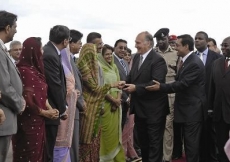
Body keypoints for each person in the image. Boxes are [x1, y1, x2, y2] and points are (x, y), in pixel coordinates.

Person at [146, 34, 206, 162]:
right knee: (189, 144)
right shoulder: (186, 61)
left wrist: (161, 87)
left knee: (191, 146)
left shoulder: (194, 63)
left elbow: (182, 84)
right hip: (186, 111)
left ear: (186, 46)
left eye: (178, 45)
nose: (175, 48)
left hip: (192, 112)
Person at [123, 31, 169, 162]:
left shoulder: (158, 60)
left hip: (154, 110)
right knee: (143, 143)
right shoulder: (137, 57)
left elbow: (155, 82)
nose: (135, 45)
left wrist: (136, 88)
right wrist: (124, 83)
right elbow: (132, 76)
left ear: (148, 43)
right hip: (140, 109)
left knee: (154, 144)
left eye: (138, 43)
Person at [12, 37, 59, 162]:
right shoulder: (23, 71)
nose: (42, 52)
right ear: (33, 51)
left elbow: (42, 94)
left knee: (39, 154)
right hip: (27, 121)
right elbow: (27, 99)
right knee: (28, 155)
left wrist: (50, 109)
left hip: (39, 121)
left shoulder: (36, 71)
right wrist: (45, 113)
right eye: (40, 49)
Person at [77, 43, 121, 162]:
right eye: (93, 54)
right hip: (88, 109)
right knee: (85, 141)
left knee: (94, 141)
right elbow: (95, 88)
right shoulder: (83, 67)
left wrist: (117, 98)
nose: (95, 57)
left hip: (96, 109)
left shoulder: (94, 68)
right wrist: (112, 85)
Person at [0, 10, 25, 162]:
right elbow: (4, 85)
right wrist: (19, 103)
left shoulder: (3, 49)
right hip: (3, 117)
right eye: (15, 26)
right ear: (8, 28)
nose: (16, 30)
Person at [43, 25, 70, 162]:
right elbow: (55, 85)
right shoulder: (49, 54)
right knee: (47, 150)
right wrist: (63, 108)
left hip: (52, 107)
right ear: (65, 41)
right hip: (50, 108)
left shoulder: (52, 52)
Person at [194, 31, 222, 162]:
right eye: (195, 39)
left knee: (211, 132)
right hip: (194, 102)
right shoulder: (191, 57)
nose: (197, 41)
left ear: (206, 41)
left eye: (200, 39)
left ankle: (211, 157)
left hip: (211, 100)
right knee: (197, 133)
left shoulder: (216, 57)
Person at [154, 28, 178, 162]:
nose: (161, 42)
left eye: (163, 39)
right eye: (159, 40)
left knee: (168, 126)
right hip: (155, 95)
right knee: (156, 125)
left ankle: (166, 158)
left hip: (170, 94)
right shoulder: (152, 54)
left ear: (168, 39)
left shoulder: (176, 54)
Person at [98, 44, 125, 161]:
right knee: (106, 134)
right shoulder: (99, 68)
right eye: (106, 54)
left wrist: (118, 100)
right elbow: (101, 87)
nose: (109, 56)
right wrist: (113, 101)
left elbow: (119, 84)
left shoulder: (114, 67)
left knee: (116, 133)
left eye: (110, 54)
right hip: (106, 104)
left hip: (117, 105)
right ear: (102, 56)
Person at [53, 47, 78, 162]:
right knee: (59, 139)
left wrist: (74, 92)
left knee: (67, 139)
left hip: (70, 110)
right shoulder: (60, 67)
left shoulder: (67, 67)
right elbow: (60, 88)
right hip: (62, 108)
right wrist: (72, 92)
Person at [209, 36, 230, 162]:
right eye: (222, 45)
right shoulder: (216, 63)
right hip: (219, 113)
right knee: (221, 144)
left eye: (226, 45)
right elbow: (212, 87)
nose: (223, 48)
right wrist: (210, 108)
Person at [68, 29, 85, 162]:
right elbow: (73, 86)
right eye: (79, 42)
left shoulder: (71, 59)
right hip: (72, 107)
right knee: (71, 143)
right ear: (70, 42)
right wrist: (81, 102)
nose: (80, 45)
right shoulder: (66, 60)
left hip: (75, 106)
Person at [113, 39, 130, 130]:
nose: (123, 50)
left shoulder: (125, 62)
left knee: (121, 128)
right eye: (120, 48)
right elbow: (115, 81)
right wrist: (125, 97)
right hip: (116, 100)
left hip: (126, 101)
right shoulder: (110, 61)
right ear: (115, 48)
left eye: (125, 48)